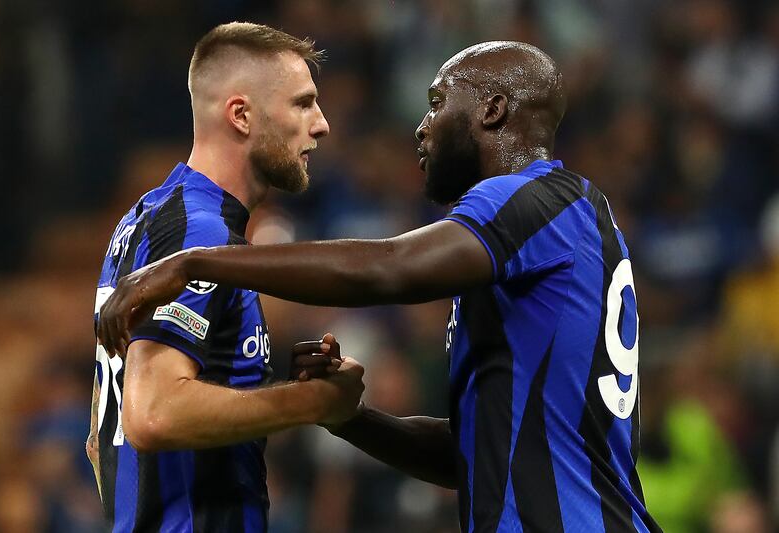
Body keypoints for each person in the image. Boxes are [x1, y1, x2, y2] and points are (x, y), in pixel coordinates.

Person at [99, 41, 662, 532]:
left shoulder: (536, 198)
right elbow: (470, 457)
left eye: (438, 103)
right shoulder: (550, 234)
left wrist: (197, 263)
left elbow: (389, 267)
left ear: (491, 111)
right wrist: (349, 418)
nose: (423, 126)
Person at [87, 22, 364, 532]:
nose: (321, 124)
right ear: (241, 115)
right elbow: (153, 413)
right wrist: (309, 402)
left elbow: (99, 438)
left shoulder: (145, 219)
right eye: (303, 104)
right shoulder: (197, 233)